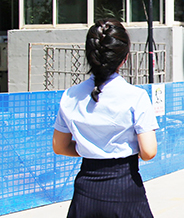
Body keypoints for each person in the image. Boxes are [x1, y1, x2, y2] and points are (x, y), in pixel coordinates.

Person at [53, 19, 159, 218]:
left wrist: (90, 149)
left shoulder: (70, 96)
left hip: (85, 191)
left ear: (90, 55)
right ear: (124, 58)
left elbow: (60, 146)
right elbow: (148, 151)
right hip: (125, 188)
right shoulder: (136, 96)